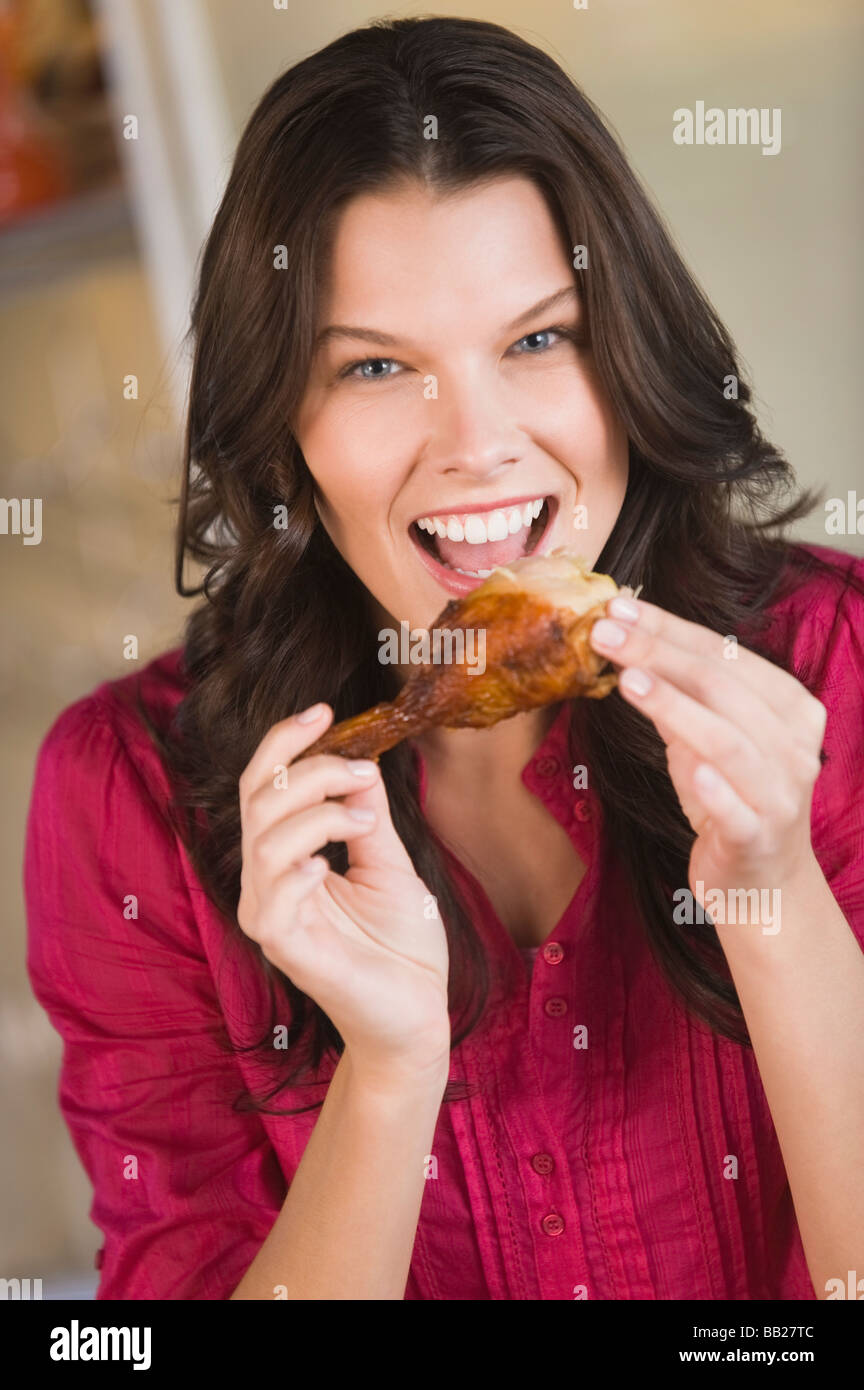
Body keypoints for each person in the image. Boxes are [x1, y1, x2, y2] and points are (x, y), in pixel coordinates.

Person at [24, 15, 864, 1301]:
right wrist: (391, 1065)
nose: (477, 443)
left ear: (626, 348)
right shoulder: (123, 796)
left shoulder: (837, 667)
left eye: (539, 339)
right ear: (280, 423)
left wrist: (776, 895)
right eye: (373, 366)